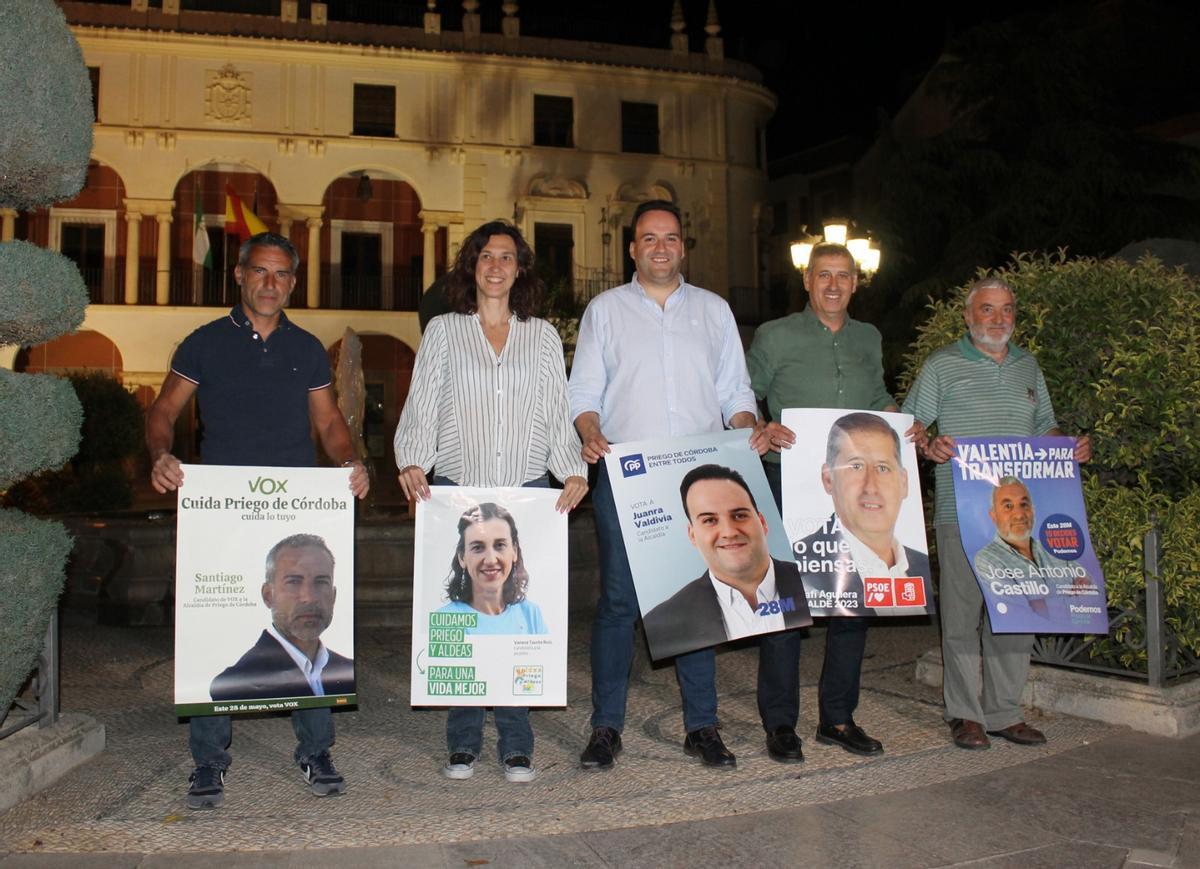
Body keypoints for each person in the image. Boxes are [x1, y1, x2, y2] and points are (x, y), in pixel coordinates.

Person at [145, 231, 369, 810]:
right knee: (212, 626)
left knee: (311, 620)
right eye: (261, 273)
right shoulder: (205, 343)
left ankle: (316, 749)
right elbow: (164, 410)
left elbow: (328, 424)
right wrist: (160, 455)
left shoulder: (307, 347)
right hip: (220, 507)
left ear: (293, 282)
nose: (271, 284)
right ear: (241, 275)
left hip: (294, 503)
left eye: (282, 275)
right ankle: (209, 761)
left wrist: (352, 461)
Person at [568, 199, 780, 771]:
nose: (660, 248)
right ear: (632, 249)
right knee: (617, 602)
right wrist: (588, 431)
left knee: (698, 600)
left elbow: (735, 393)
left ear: (683, 247)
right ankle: (606, 727)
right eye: (649, 239)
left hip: (698, 476)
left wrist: (749, 428)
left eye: (670, 238)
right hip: (628, 474)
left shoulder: (713, 311)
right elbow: (584, 393)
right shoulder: (605, 311)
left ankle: (702, 727)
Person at [393, 220, 586, 784]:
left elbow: (556, 410)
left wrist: (573, 470)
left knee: (515, 614)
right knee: (464, 614)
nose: (496, 266)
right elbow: (423, 401)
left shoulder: (543, 337)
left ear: (520, 268)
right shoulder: (446, 332)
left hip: (524, 493)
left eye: (506, 256)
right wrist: (411, 459)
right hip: (459, 490)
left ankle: (517, 743)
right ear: (471, 268)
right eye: (485, 257)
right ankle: (463, 741)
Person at [746, 243, 922, 760]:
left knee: (853, 602)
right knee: (786, 609)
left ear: (855, 283)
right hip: (788, 483)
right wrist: (760, 426)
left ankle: (838, 719)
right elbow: (741, 394)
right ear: (806, 280)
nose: (833, 285)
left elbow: (875, 399)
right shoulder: (775, 335)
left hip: (855, 490)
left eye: (844, 276)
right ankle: (780, 724)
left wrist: (902, 422)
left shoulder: (869, 337)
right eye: (824, 275)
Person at [902, 276, 1091, 751]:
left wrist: (1068, 447)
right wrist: (930, 445)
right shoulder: (942, 365)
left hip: (1021, 514)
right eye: (987, 309)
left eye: (1007, 309)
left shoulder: (1028, 366)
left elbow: (1045, 425)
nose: (998, 318)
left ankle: (1004, 712)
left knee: (1019, 605)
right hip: (960, 508)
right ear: (968, 316)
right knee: (962, 614)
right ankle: (965, 715)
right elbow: (912, 425)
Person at [643, 465, 811, 660]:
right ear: (692, 535)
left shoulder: (812, 584)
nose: (729, 532)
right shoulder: (664, 621)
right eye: (709, 520)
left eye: (739, 515)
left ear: (762, 522)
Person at [796, 412, 932, 616]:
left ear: (904, 483)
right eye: (856, 466)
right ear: (828, 479)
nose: (871, 486)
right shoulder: (800, 569)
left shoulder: (921, 566)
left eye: (883, 468)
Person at [210, 534, 354, 702]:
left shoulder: (348, 671)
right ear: (268, 596)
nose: (309, 597)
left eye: (321, 582)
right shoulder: (235, 685)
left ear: (334, 596)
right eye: (293, 582)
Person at [971, 477, 1085, 624]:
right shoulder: (987, 559)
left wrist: (1039, 604)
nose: (1019, 514)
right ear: (993, 516)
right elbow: (1017, 614)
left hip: (1065, 643)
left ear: (1033, 510)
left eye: (1024, 504)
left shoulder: (1053, 549)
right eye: (1008, 506)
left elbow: (1092, 596)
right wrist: (1068, 600)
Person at [436, 502, 547, 635]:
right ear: (462, 557)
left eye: (500, 545)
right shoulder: (447, 619)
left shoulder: (531, 614)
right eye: (478, 547)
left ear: (515, 551)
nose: (490, 560)